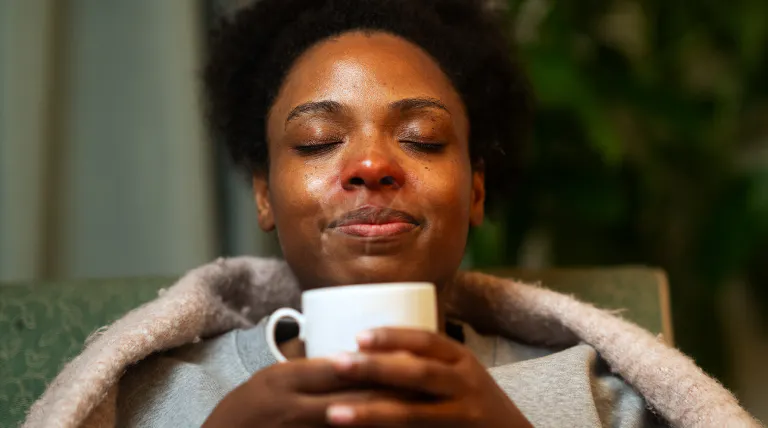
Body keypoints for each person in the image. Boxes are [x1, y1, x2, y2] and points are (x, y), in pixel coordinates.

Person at [24, 0, 758, 427]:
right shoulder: (153, 399)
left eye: (421, 138)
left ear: (474, 190)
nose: (371, 165)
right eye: (317, 141)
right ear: (263, 195)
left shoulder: (594, 397)